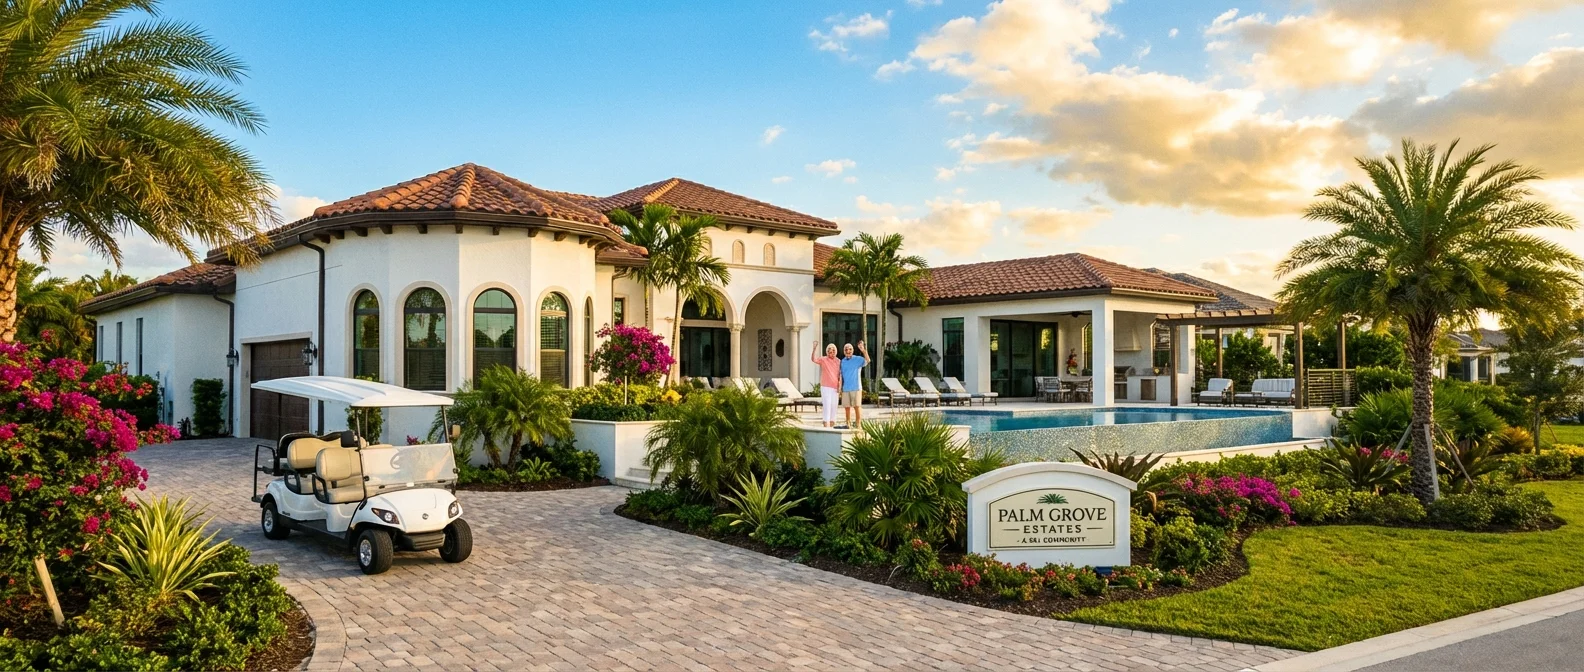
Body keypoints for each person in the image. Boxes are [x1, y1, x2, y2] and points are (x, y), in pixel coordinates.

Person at [811, 341, 843, 427]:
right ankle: (826, 425)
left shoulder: (839, 361)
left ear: (836, 351)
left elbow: (840, 375)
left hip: (835, 387)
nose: (831, 352)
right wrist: (814, 349)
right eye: (829, 350)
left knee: (834, 406)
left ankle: (832, 426)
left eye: (833, 350)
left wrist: (840, 386)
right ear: (827, 352)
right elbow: (813, 359)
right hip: (825, 387)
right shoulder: (823, 359)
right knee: (827, 406)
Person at [839, 341, 869, 428]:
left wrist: (863, 351)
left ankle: (858, 424)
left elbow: (868, 360)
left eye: (850, 349)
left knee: (857, 406)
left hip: (856, 387)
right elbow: (840, 376)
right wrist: (840, 388)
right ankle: (848, 424)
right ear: (844, 351)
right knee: (847, 407)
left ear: (853, 350)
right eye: (846, 349)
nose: (848, 351)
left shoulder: (858, 359)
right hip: (846, 388)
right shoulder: (842, 362)